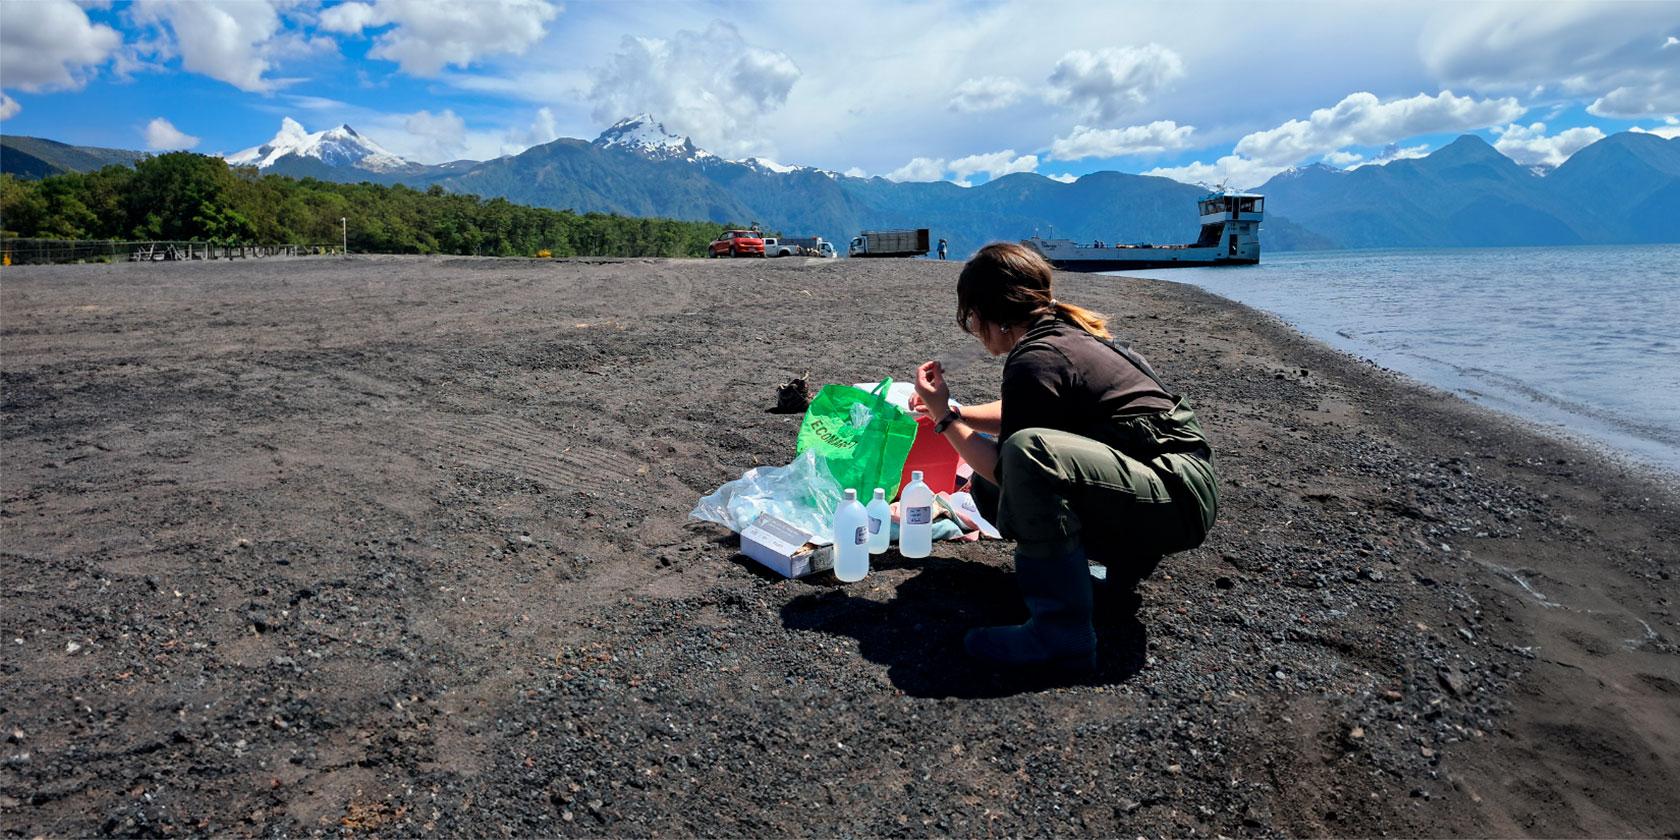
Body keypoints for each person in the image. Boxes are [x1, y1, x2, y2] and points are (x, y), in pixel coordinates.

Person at [909, 242, 1219, 670]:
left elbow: (1012, 463)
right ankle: (1112, 573)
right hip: (1174, 489)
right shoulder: (1063, 337)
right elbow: (1029, 413)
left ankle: (1061, 633)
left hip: (1175, 500)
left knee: (1023, 459)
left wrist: (944, 417)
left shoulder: (1036, 358)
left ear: (988, 314)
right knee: (997, 476)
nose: (974, 330)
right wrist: (958, 412)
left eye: (972, 317)